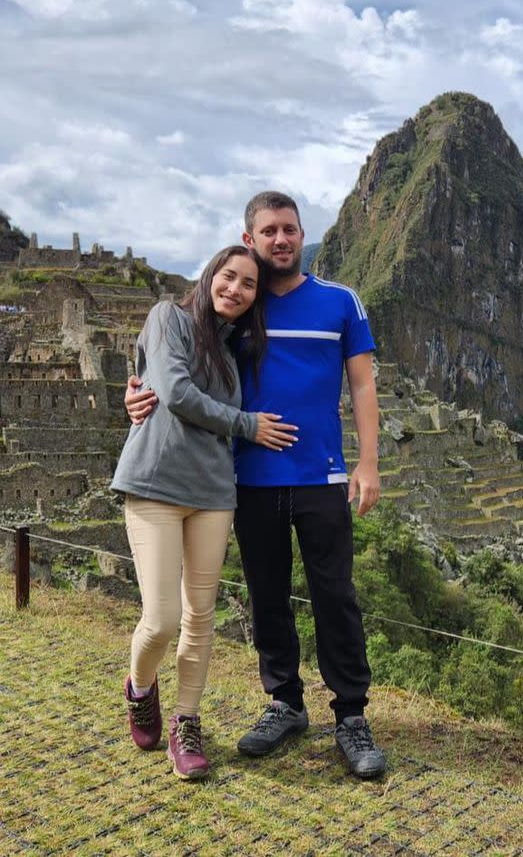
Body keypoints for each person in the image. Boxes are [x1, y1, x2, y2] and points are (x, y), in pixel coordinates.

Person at [126, 191, 386, 779]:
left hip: (321, 476)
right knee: (268, 595)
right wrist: (135, 389)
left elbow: (364, 386)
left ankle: (350, 714)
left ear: (301, 234)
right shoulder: (243, 310)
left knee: (335, 597)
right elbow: (173, 359)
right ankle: (285, 703)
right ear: (250, 240)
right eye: (268, 231)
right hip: (248, 480)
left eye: (289, 229)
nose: (280, 240)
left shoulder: (339, 302)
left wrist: (368, 464)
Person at [112, 245, 298, 780]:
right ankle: (141, 687)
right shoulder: (167, 318)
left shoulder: (238, 346)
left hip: (215, 493)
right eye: (229, 276)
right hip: (155, 485)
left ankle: (186, 720)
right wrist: (245, 424)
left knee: (200, 615)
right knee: (162, 617)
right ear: (211, 273)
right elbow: (172, 390)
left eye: (248, 286)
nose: (235, 290)